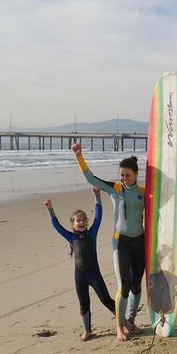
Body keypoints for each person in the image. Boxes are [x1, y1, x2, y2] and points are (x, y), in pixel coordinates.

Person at [72, 144, 145, 341]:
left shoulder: (143, 192)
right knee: (124, 285)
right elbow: (91, 178)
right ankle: (120, 326)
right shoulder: (115, 189)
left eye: (128, 175)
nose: (124, 178)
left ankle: (131, 320)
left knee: (137, 285)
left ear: (136, 174)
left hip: (139, 242)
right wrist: (80, 156)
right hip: (120, 243)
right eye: (122, 175)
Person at [43, 188, 115, 341]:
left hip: (94, 275)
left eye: (83, 220)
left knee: (105, 299)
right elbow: (57, 226)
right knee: (84, 303)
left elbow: (99, 215)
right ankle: (87, 331)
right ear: (73, 224)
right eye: (78, 220)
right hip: (80, 277)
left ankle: (125, 322)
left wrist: (97, 196)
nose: (81, 222)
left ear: (87, 222)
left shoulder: (92, 233)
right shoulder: (70, 237)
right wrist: (50, 209)